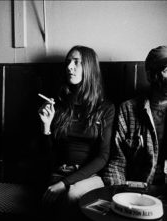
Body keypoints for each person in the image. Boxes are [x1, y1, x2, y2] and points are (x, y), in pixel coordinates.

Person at [38, 45, 115, 205]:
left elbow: (103, 157)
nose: (69, 67)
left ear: (89, 67)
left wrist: (64, 184)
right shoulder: (58, 105)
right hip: (59, 172)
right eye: (68, 62)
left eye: (76, 62)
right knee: (52, 201)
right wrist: (46, 127)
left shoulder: (105, 108)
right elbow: (51, 156)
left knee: (72, 194)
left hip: (90, 176)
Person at [103, 46, 167, 187]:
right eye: (166, 70)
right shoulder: (128, 109)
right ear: (150, 75)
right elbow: (117, 163)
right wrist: (119, 195)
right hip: (136, 192)